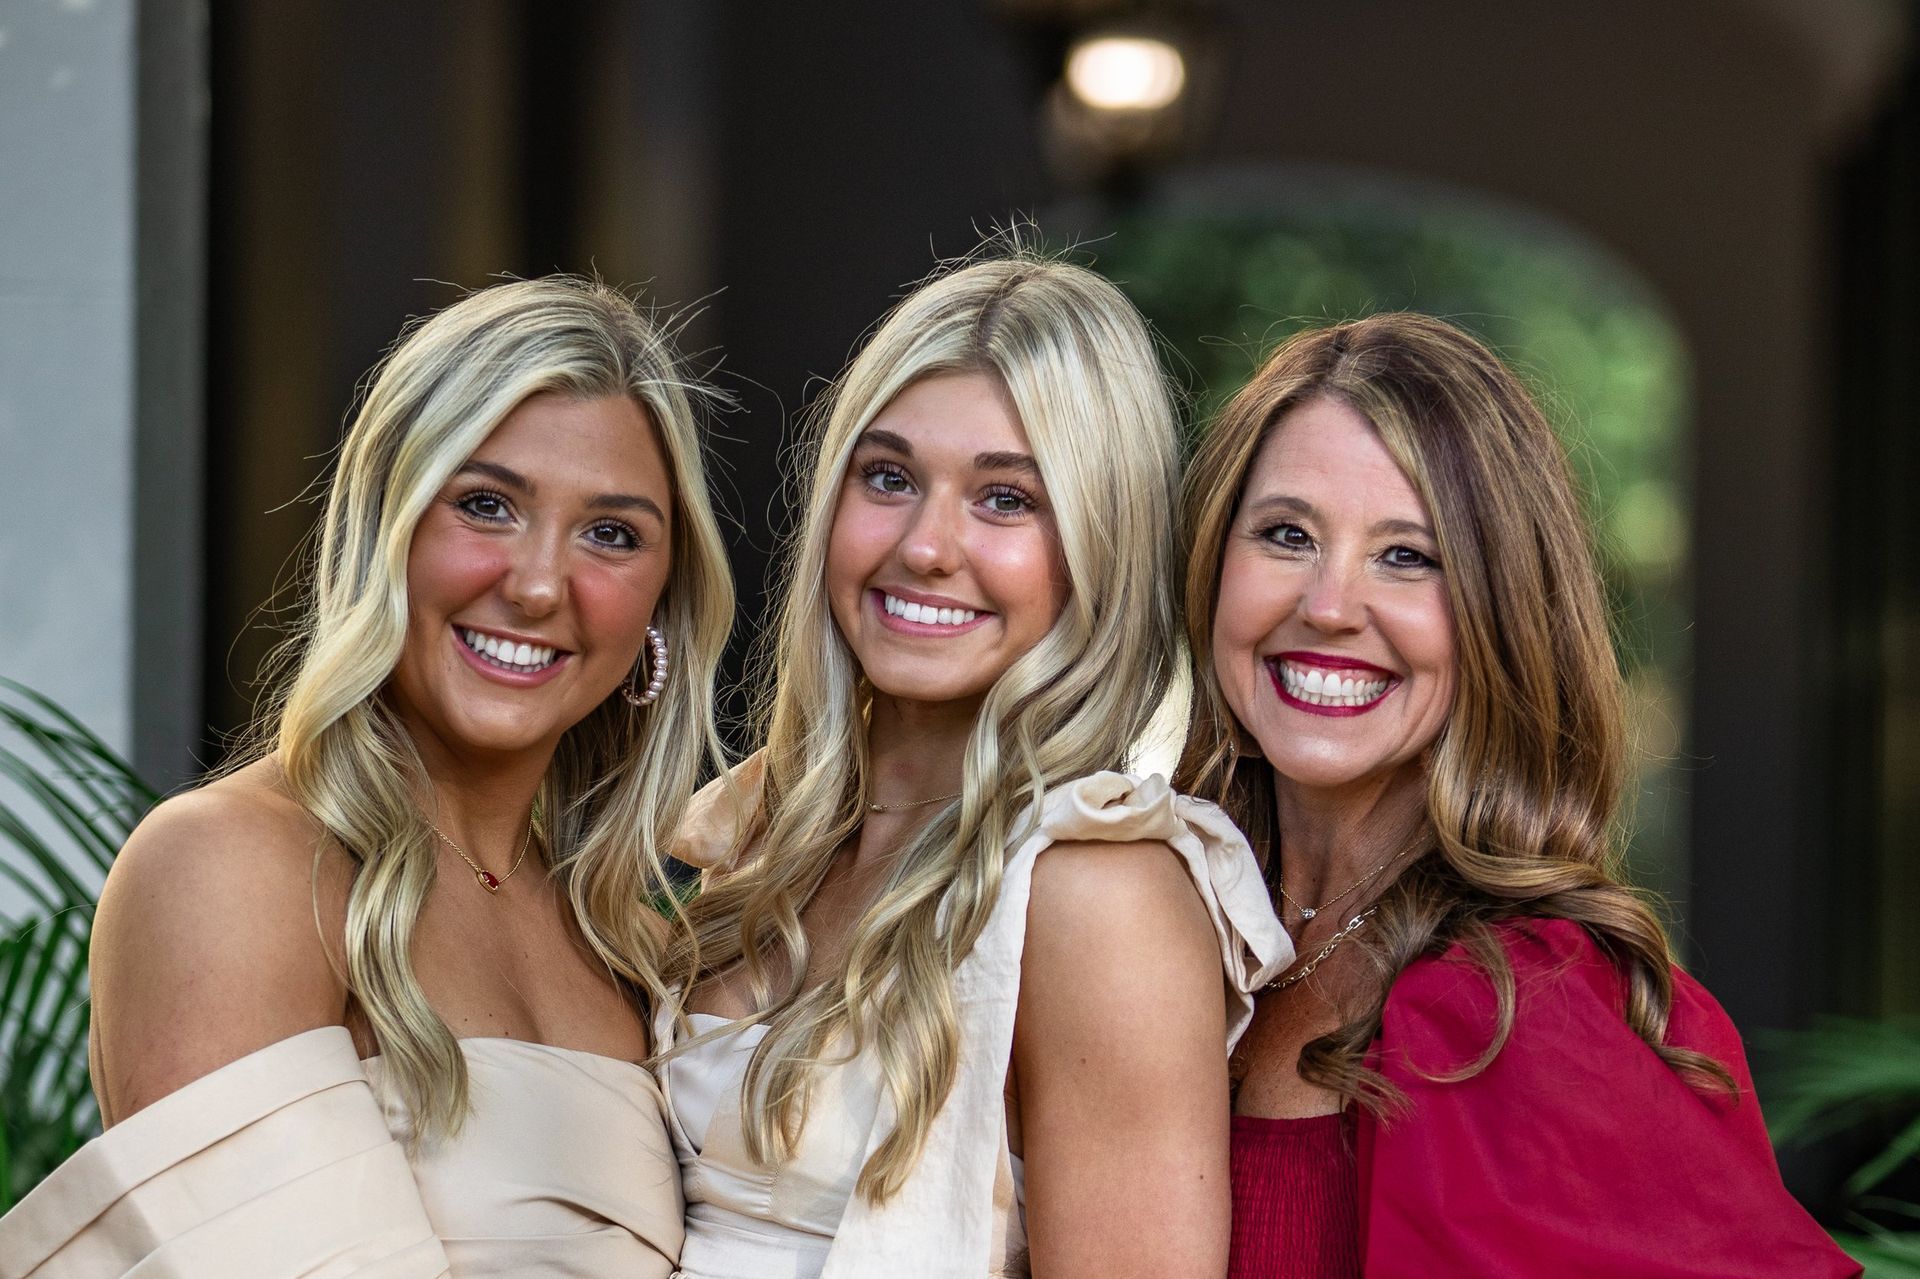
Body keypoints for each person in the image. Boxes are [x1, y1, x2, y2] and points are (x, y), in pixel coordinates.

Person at [0, 277, 735, 1277]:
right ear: (385, 528)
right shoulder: (231, 867)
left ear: (660, 603)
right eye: (486, 505)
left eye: (611, 532)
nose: (536, 585)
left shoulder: (636, 947)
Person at [1175, 311, 1860, 1278]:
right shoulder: (1159, 928)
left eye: (1407, 555)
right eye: (1287, 535)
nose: (1327, 606)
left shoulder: (1520, 1004)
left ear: (1502, 615)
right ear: (1213, 565)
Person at [661, 250, 1292, 1279]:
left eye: (1005, 498)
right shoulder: (768, 828)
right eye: (890, 477)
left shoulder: (1098, 889)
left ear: (1099, 544)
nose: (925, 545)